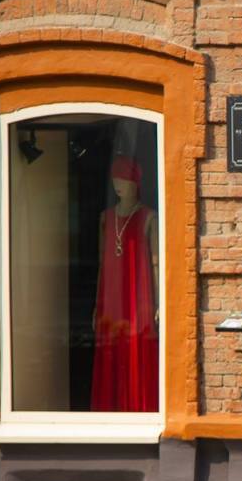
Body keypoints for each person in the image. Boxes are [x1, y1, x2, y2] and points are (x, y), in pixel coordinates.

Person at [92, 155, 159, 412]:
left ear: (135, 182)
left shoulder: (149, 217)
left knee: (137, 348)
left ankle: (139, 408)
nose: (118, 184)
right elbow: (102, 264)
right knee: (112, 350)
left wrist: (157, 302)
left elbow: (155, 263)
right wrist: (97, 303)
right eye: (115, 179)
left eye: (124, 178)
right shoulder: (105, 218)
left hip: (137, 295)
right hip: (111, 296)